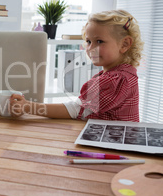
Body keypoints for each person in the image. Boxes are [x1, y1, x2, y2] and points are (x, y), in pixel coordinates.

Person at [10, 10, 144, 122]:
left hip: (113, 145)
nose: (91, 48)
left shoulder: (115, 80)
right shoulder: (123, 74)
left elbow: (75, 110)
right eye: (88, 41)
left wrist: (28, 106)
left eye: (99, 41)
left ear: (125, 44)